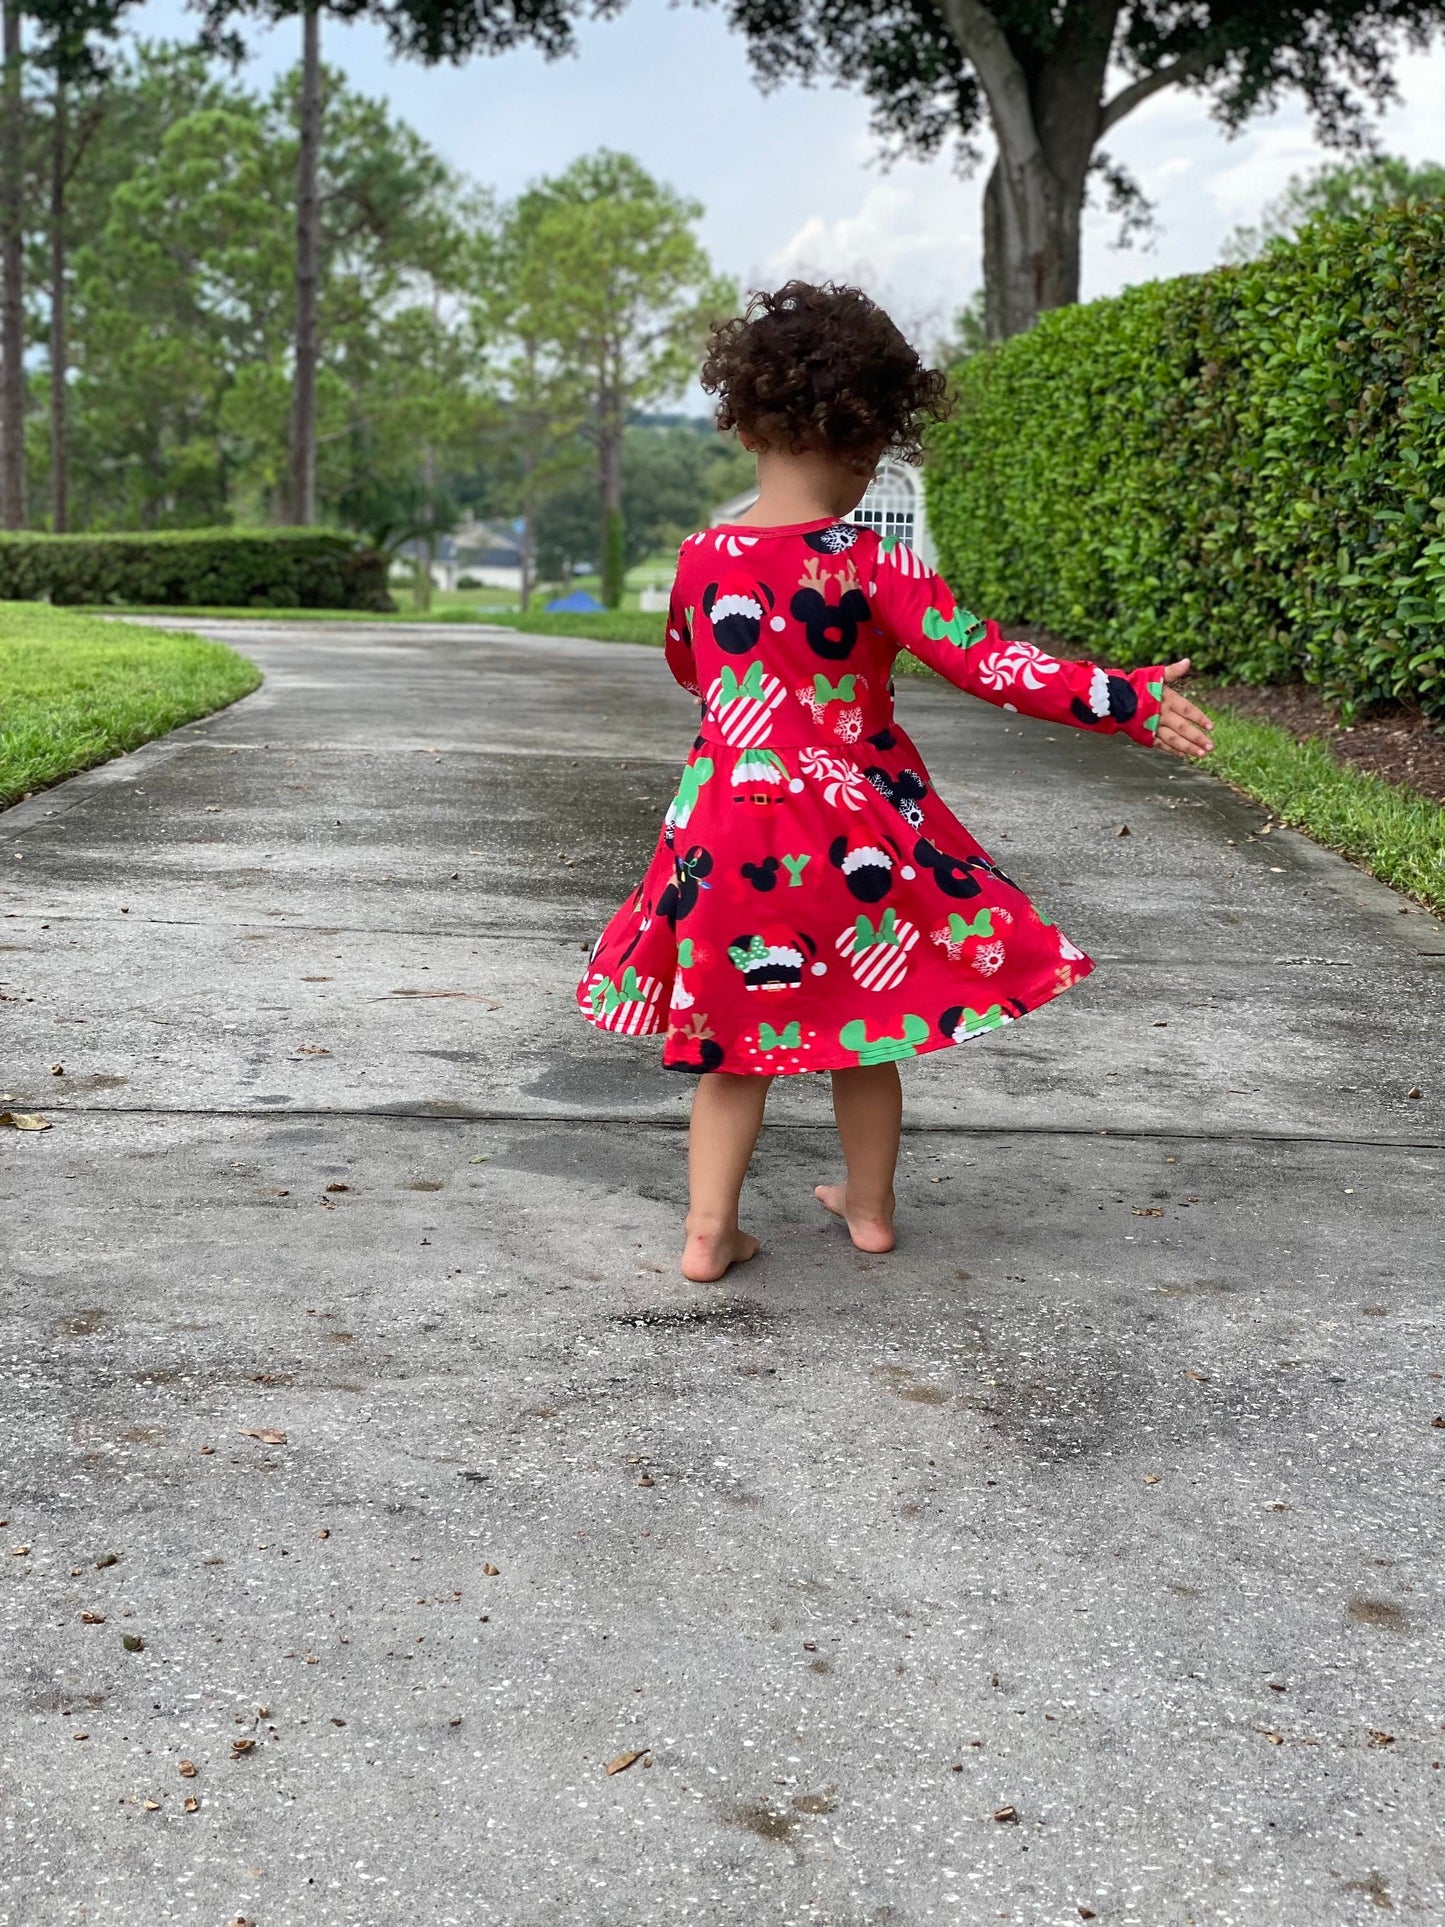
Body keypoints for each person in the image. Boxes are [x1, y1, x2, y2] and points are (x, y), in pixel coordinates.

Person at [577, 281, 1214, 1284]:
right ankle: (867, 1210)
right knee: (863, 1024)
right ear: (871, 437)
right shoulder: (873, 560)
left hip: (724, 841)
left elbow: (690, 668)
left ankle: (708, 1232)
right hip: (852, 843)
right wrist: (1119, 698)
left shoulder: (701, 558)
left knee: (730, 1047)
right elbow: (988, 663)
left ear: (744, 423)